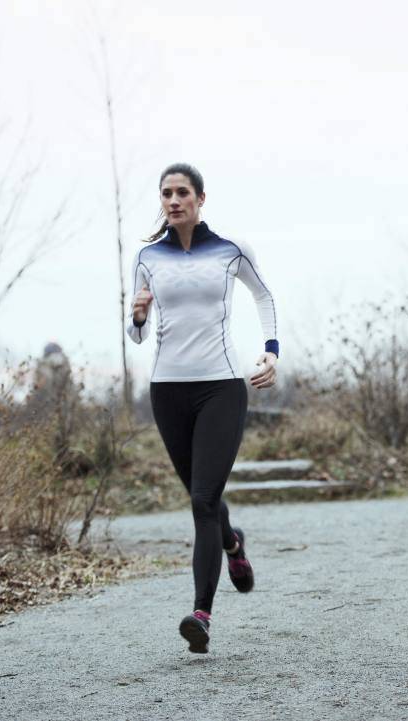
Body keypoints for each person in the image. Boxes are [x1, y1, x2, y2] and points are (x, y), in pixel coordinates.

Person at [127, 162, 279, 654]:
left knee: (201, 502)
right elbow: (136, 334)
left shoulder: (230, 251)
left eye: (182, 192)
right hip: (168, 390)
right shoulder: (148, 257)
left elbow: (264, 296)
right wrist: (137, 316)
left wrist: (271, 352)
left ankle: (201, 615)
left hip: (221, 387)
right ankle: (232, 543)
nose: (173, 200)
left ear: (200, 198)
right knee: (203, 495)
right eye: (166, 194)